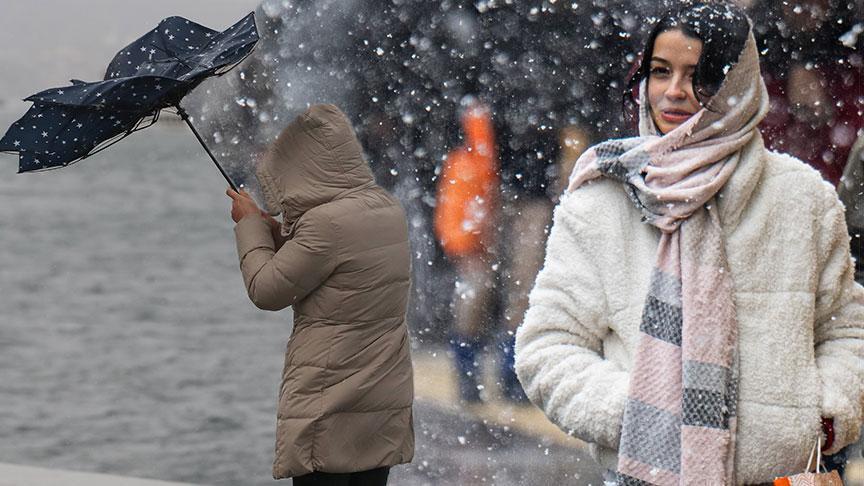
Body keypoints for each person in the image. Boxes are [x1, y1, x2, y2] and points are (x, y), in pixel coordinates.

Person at [514, 2, 864, 485]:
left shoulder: (803, 201)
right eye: (660, 72)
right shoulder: (602, 201)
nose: (673, 92)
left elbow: (848, 332)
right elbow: (547, 347)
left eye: (698, 75)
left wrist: (824, 417)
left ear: (737, 84)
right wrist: (638, 413)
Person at [226, 104, 414, 485]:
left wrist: (249, 226)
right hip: (379, 398)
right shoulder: (385, 207)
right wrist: (277, 234)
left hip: (330, 399)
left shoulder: (325, 225)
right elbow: (338, 265)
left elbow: (266, 290)